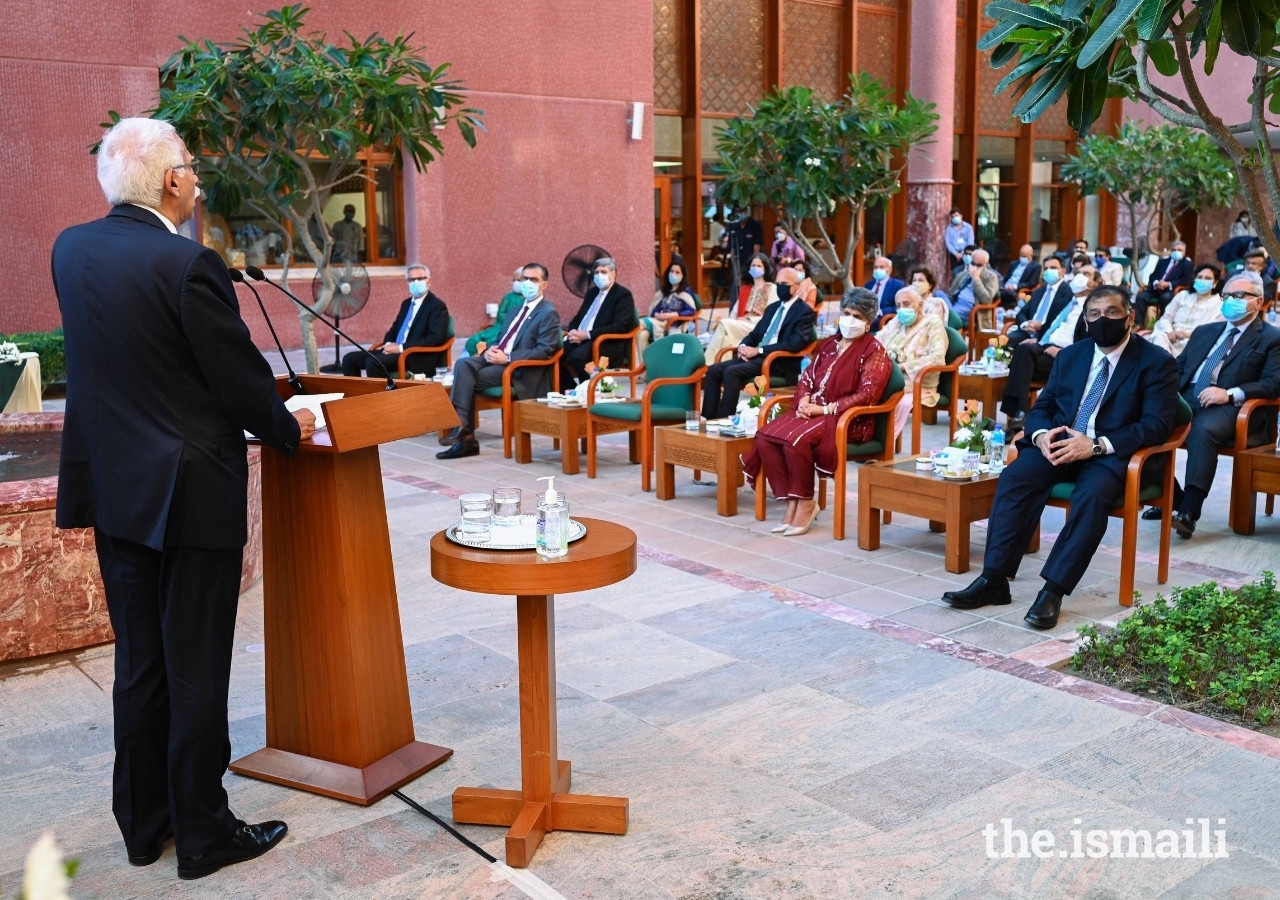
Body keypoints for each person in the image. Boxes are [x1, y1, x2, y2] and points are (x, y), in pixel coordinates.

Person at [51, 117, 315, 879]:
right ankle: (203, 833)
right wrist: (287, 425)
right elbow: (237, 382)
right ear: (171, 181)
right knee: (195, 663)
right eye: (192, 169)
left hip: (114, 486)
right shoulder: (187, 263)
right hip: (191, 491)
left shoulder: (71, 249)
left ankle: (143, 824)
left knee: (140, 662)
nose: (197, 180)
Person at [942, 286, 1179, 629]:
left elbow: (1156, 426)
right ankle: (993, 579)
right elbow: (1044, 407)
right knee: (1016, 476)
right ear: (1085, 319)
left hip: (1111, 454)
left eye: (1112, 313)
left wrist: (1096, 445)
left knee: (1091, 496)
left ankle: (1053, 590)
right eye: (1094, 314)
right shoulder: (1072, 356)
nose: (1102, 321)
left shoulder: (1156, 362)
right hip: (1062, 445)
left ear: (1130, 317)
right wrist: (1040, 436)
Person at [742, 288, 890, 536]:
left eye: (857, 316)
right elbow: (808, 377)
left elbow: (867, 394)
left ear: (868, 323)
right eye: (846, 312)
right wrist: (803, 401)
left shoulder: (874, 351)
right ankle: (791, 500)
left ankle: (807, 501)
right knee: (765, 437)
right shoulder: (829, 344)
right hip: (813, 411)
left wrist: (823, 409)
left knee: (794, 442)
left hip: (846, 419)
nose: (849, 319)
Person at [1143, 272, 1280, 537]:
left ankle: (1190, 510)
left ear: (1259, 301)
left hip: (1232, 406)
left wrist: (1229, 393)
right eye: (1227, 295)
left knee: (1201, 430)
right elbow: (1179, 368)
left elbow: (1274, 383)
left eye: (1239, 296)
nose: (1231, 300)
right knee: (1142, 420)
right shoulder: (1205, 332)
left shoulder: (1271, 337)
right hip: (1187, 396)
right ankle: (1171, 496)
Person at [437, 263, 561, 459]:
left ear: (544, 285)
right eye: (524, 279)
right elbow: (501, 338)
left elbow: (545, 351)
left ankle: (465, 437)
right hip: (497, 361)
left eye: (533, 280)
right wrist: (489, 350)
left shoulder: (548, 313)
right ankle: (463, 428)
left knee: (469, 378)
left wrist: (508, 357)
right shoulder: (514, 310)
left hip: (520, 369)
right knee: (463, 364)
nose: (527, 283)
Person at [701, 266, 815, 419]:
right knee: (713, 370)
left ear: (797, 286)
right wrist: (743, 347)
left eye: (784, 284)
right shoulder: (772, 308)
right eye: (778, 283)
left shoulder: (804, 311)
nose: (780, 287)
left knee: (731, 372)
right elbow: (755, 334)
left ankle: (724, 419)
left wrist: (759, 350)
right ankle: (708, 420)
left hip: (777, 362)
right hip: (757, 357)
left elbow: (794, 344)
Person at [1001, 264, 1101, 430]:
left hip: (1068, 355)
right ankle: (1020, 411)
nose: (1080, 276)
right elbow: (1050, 327)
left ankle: (1019, 415)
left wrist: (1062, 353)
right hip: (1046, 346)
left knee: (1021, 366)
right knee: (1023, 348)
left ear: (1095, 284)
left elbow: (1090, 342)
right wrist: (1038, 341)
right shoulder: (1065, 303)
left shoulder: (1094, 309)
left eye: (1086, 274)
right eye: (1079, 272)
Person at [341, 263, 448, 378]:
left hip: (416, 356)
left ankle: (383, 396)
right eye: (412, 279)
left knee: (373, 363)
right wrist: (388, 344)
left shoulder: (436, 306)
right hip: (395, 352)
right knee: (349, 359)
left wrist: (400, 348)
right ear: (407, 282)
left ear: (429, 281)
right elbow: (394, 329)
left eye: (421, 278)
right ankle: (357, 395)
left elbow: (435, 338)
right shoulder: (406, 304)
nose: (416, 282)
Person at [876, 287, 947, 441]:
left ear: (920, 305)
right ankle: (869, 441)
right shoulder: (897, 321)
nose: (902, 309)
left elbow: (937, 357)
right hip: (889, 377)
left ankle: (882, 443)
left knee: (883, 395)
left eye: (906, 304)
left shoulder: (933, 322)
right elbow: (877, 342)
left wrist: (900, 367)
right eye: (898, 305)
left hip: (918, 382)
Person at [561, 257, 637, 387]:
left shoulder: (622, 294)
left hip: (606, 342)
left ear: (613, 274)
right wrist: (573, 331)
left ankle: (590, 392)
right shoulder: (592, 292)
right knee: (554, 354)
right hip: (581, 339)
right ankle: (571, 389)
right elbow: (579, 317)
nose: (599, 275)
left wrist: (588, 334)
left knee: (577, 357)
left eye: (603, 272)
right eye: (596, 272)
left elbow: (620, 326)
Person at [704, 253, 777, 364]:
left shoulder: (772, 288)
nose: (755, 268)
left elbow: (772, 315)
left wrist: (748, 319)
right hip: (740, 325)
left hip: (757, 327)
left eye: (759, 266)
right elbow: (734, 312)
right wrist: (732, 321)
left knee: (724, 324)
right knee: (726, 337)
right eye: (753, 266)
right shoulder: (745, 289)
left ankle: (706, 364)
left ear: (765, 269)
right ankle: (720, 368)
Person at [1148, 264, 1224, 357]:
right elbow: (1166, 318)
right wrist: (1169, 332)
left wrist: (1186, 334)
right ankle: (1166, 366)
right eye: (1199, 277)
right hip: (1172, 339)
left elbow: (1213, 330)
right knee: (1159, 338)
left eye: (1207, 278)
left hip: (1196, 342)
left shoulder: (1219, 303)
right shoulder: (1183, 295)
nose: (1202, 280)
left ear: (1215, 283)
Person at [639, 261, 697, 355]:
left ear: (683, 276)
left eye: (677, 272)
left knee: (640, 323)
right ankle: (643, 366)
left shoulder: (686, 292)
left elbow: (691, 311)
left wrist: (672, 315)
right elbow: (654, 310)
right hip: (659, 323)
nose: (673, 274)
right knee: (641, 335)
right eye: (671, 271)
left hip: (676, 325)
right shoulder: (663, 292)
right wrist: (658, 314)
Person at [1006, 257, 1069, 344]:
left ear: (1063, 271)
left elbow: (1062, 319)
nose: (1049, 271)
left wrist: (1041, 326)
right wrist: (1025, 325)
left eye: (1053, 268)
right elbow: (1022, 313)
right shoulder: (1039, 291)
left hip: (1049, 333)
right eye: (1046, 268)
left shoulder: (1068, 292)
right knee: (1007, 340)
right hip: (1029, 331)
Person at [465, 267, 526, 357]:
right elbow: (501, 313)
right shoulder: (508, 297)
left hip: (515, 332)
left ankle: (484, 357)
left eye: (519, 280)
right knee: (474, 341)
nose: (516, 283)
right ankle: (476, 356)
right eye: (514, 280)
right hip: (500, 327)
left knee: (494, 344)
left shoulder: (531, 300)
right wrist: (510, 319)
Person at [1135, 241, 1194, 327]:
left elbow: (1186, 280)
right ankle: (1139, 324)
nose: (1176, 252)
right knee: (1141, 296)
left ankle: (1162, 324)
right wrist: (1156, 283)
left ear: (1184, 252)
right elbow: (1153, 275)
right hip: (1156, 289)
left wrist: (1168, 284)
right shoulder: (1163, 261)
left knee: (1165, 298)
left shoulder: (1187, 264)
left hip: (1172, 290)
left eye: (1179, 250)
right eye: (1174, 250)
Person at [948, 247, 999, 321]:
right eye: (973, 264)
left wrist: (976, 279)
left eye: (979, 265)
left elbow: (987, 299)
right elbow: (950, 294)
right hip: (955, 305)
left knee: (943, 316)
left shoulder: (991, 277)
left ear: (986, 265)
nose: (975, 268)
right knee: (938, 294)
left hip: (971, 309)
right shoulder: (963, 274)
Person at [864, 255, 905, 320]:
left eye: (881, 267)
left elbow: (899, 306)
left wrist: (881, 312)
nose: (878, 270)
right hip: (866, 316)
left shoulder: (897, 285)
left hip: (882, 318)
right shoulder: (868, 284)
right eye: (875, 267)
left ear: (890, 270)